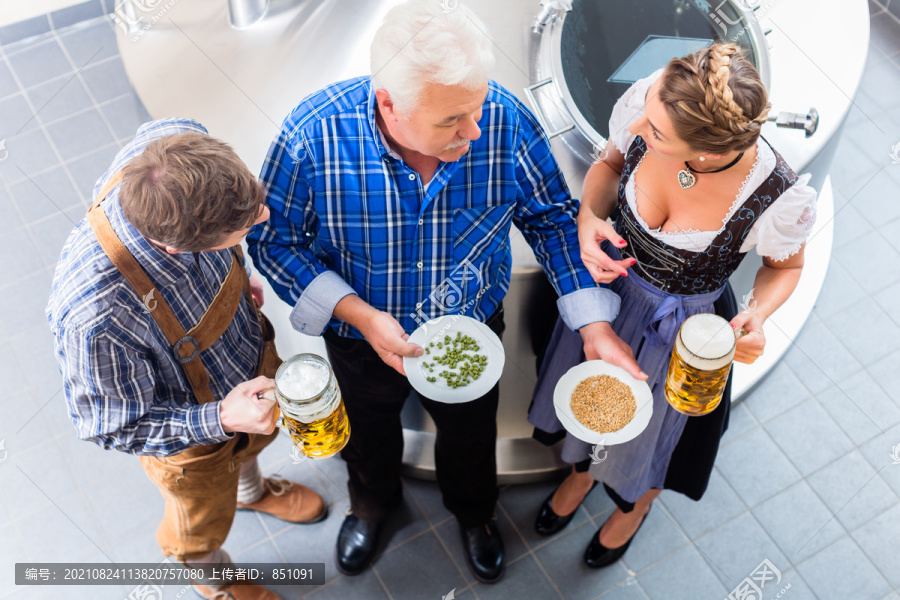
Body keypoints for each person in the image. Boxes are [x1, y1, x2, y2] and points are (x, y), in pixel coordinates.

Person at [246, 0, 643, 584]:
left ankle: (476, 515)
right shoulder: (312, 138)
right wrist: (359, 314)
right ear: (389, 105)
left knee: (470, 438)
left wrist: (595, 326)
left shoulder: (504, 121)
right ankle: (371, 505)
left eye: (476, 108)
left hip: (472, 331)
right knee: (366, 430)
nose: (475, 130)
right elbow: (274, 243)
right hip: (359, 338)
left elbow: (553, 220)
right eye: (452, 120)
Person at [528, 42, 817, 568]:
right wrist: (590, 218)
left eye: (657, 134)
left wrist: (756, 312)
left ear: (704, 152)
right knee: (596, 402)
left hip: (685, 329)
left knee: (664, 435)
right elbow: (609, 165)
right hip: (609, 293)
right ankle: (581, 475)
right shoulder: (654, 102)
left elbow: (786, 267)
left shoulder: (777, 195)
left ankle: (631, 509)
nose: (639, 129)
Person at [47, 119, 327, 600]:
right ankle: (210, 578)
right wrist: (221, 416)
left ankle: (253, 493)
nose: (264, 217)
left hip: (248, 356)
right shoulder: (95, 316)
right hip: (193, 440)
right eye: (245, 225)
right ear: (176, 248)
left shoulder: (174, 138)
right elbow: (112, 427)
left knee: (252, 448)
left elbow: (228, 216)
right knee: (198, 526)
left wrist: (235, 273)